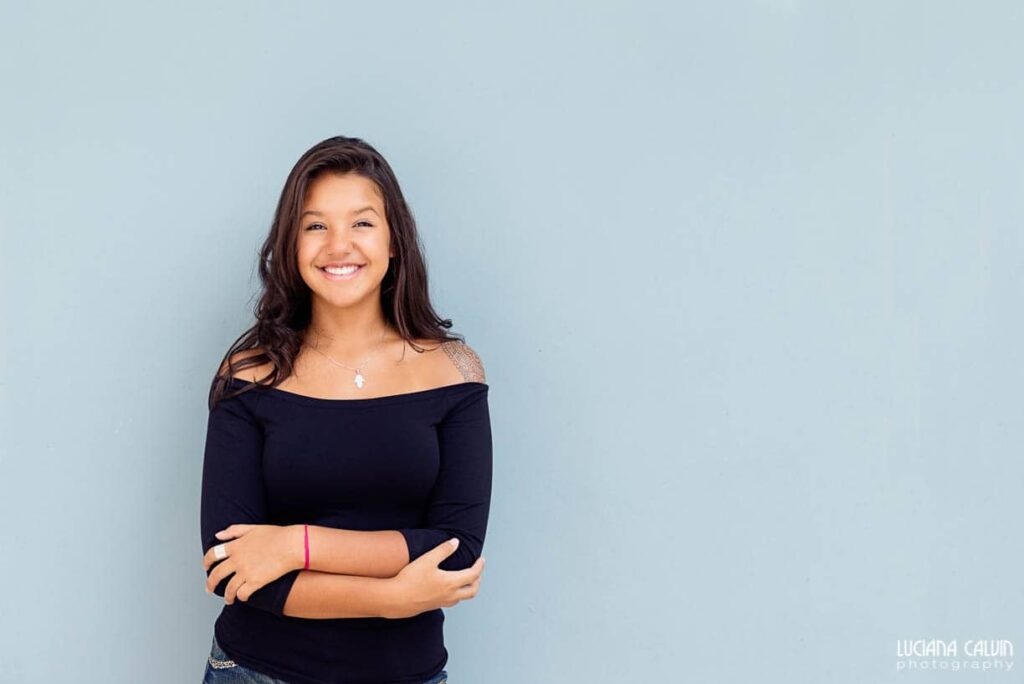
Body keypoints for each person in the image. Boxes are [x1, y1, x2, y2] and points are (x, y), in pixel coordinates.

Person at [198, 135, 492, 684]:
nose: (339, 245)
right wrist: (392, 597)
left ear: (393, 241)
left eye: (361, 223)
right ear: (291, 244)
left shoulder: (454, 371)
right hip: (256, 672)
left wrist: (295, 544)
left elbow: (455, 550)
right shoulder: (248, 373)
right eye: (315, 226)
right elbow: (231, 568)